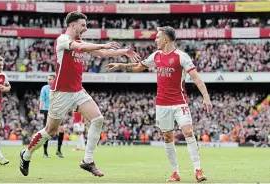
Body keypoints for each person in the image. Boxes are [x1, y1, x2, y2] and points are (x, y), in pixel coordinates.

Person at [19, 11, 140, 177]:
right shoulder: (63, 39)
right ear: (72, 25)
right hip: (60, 93)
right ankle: (26, 155)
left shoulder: (80, 41)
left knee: (98, 119)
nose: (86, 28)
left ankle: (87, 160)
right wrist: (103, 44)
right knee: (51, 130)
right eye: (83, 25)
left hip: (77, 91)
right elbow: (81, 47)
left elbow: (102, 54)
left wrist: (124, 51)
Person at [105, 26, 212, 182]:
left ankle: (198, 170)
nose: (155, 40)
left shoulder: (181, 57)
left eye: (157, 37)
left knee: (188, 132)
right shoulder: (156, 56)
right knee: (168, 137)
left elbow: (196, 78)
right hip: (161, 104)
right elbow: (138, 67)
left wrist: (206, 97)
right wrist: (121, 65)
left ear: (166, 39)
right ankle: (175, 173)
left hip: (179, 102)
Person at [39, 74, 64, 158]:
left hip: (58, 110)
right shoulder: (45, 88)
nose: (48, 80)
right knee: (47, 131)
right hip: (47, 111)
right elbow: (42, 99)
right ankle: (45, 152)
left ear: (54, 80)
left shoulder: (59, 88)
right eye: (48, 79)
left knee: (61, 130)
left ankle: (59, 150)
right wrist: (41, 110)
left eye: (50, 79)